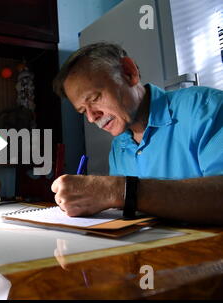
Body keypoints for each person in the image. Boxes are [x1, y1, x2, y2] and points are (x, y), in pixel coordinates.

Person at [51, 42, 223, 225]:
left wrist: (117, 190)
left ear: (129, 72)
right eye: (83, 111)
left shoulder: (205, 108)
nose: (92, 118)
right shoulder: (119, 146)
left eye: (95, 98)